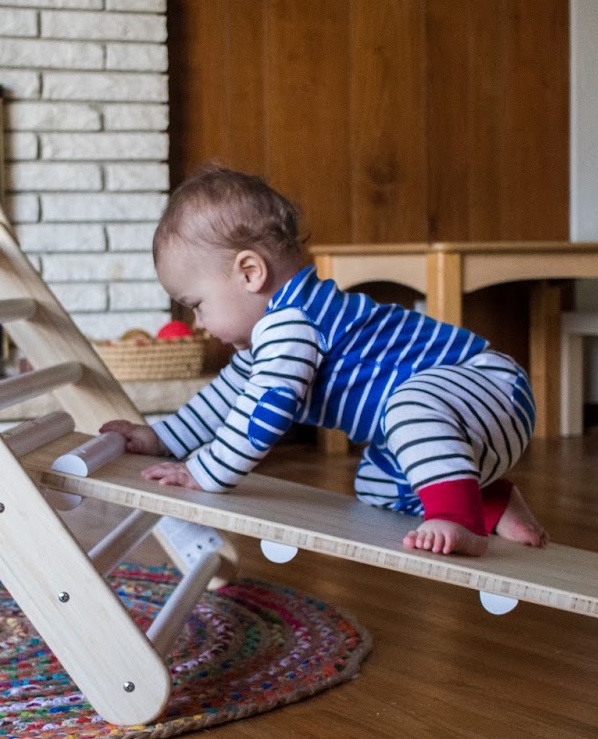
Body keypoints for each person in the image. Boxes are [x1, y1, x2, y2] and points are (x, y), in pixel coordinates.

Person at [101, 165, 548, 557]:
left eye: (197, 303)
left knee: (411, 407)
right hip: (465, 431)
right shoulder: (267, 340)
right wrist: (159, 438)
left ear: (250, 273)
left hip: (486, 387)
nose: (198, 322)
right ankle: (488, 502)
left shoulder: (292, 322)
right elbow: (223, 400)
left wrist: (206, 470)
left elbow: (263, 412)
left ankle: (460, 521)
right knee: (374, 486)